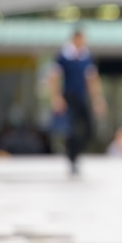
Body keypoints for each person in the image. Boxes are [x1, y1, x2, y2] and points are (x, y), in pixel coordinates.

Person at [48, 29, 107, 174]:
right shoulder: (63, 56)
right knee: (72, 129)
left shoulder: (86, 57)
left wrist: (98, 99)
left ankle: (72, 152)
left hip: (81, 97)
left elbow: (92, 79)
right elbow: (54, 76)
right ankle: (72, 158)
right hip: (68, 96)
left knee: (88, 130)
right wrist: (56, 97)